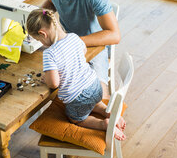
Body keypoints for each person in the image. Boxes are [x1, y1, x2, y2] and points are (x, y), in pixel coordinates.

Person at [26, 8, 126, 140]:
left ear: (42, 34)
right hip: (96, 87)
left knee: (77, 119)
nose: (41, 43)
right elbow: (83, 51)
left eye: (38, 40)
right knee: (94, 103)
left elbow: (54, 83)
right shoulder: (74, 37)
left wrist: (47, 78)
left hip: (78, 99)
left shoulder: (49, 54)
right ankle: (109, 112)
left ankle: (103, 124)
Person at [42, 0, 120, 99]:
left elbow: (114, 35)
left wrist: (73, 42)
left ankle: (110, 119)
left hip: (94, 45)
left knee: (97, 94)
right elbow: (52, 3)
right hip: (64, 43)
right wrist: (38, 17)